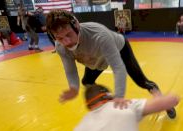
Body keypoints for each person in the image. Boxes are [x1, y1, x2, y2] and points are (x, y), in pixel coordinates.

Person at [46, 9, 176, 119]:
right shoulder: (60, 46)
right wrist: (73, 88)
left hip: (119, 49)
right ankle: (108, 98)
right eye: (60, 38)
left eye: (68, 34)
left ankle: (165, 103)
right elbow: (70, 70)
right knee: (87, 82)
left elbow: (118, 67)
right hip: (96, 58)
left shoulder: (99, 35)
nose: (66, 41)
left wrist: (119, 96)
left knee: (141, 81)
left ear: (77, 26)